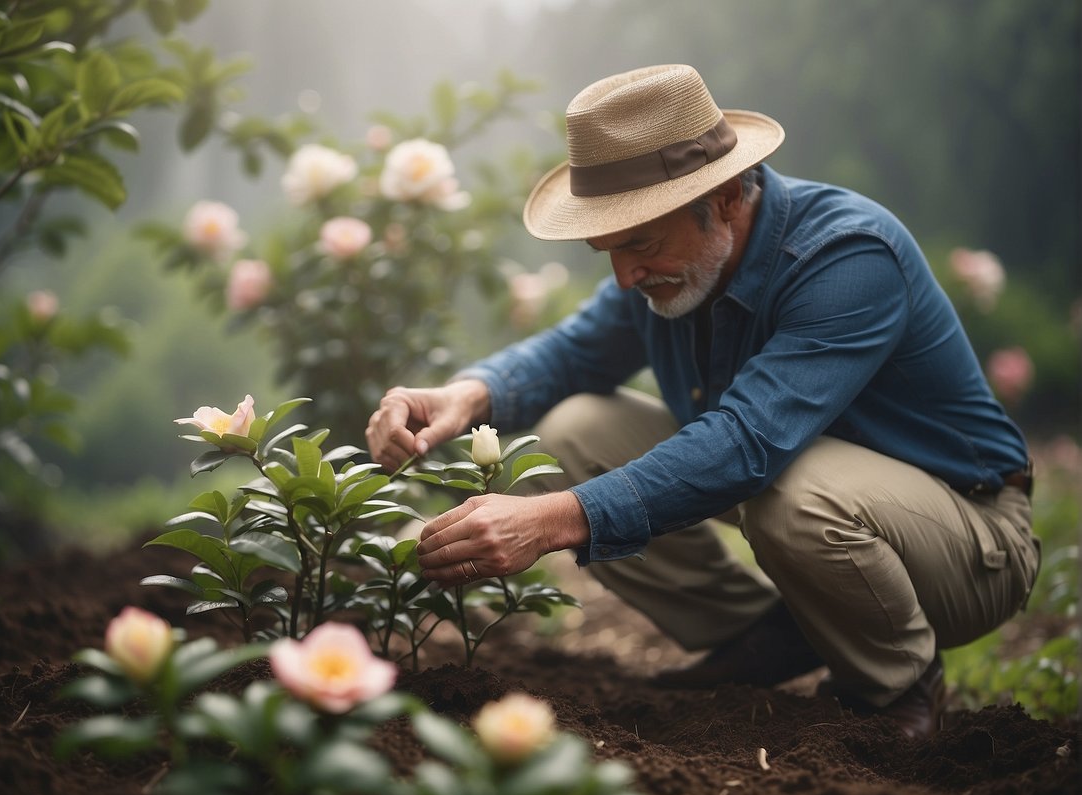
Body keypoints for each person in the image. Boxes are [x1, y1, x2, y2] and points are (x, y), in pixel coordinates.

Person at [365, 64, 1039, 740]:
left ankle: (896, 686)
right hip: (830, 507)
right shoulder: (677, 266)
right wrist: (462, 396)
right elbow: (568, 353)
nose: (625, 275)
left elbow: (748, 444)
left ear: (721, 198)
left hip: (967, 543)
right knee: (572, 428)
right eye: (608, 249)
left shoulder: (846, 258)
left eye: (639, 243)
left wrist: (553, 521)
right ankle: (768, 633)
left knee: (791, 489)